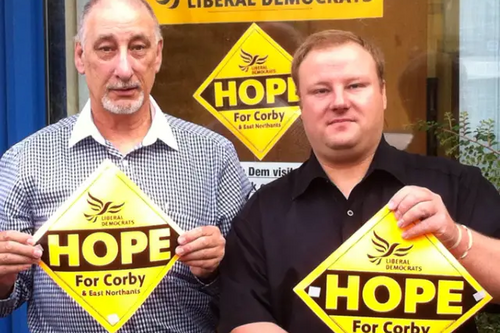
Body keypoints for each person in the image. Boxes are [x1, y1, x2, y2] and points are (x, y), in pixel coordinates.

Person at [220, 29, 500, 333]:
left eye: (355, 85)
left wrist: (455, 238)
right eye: (320, 91)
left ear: (382, 94)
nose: (339, 102)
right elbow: (245, 319)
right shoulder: (262, 212)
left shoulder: (458, 186)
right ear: (300, 104)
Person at [0, 0, 250, 332]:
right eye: (106, 49)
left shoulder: (213, 154)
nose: (124, 69)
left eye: (138, 48)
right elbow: (10, 298)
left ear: (157, 54)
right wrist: (3, 276)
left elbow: (252, 289)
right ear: (79, 56)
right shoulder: (25, 160)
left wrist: (217, 267)